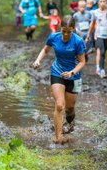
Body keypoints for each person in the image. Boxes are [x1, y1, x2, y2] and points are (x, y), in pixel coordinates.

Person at [32, 16, 86, 144]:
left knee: (70, 108)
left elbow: (82, 62)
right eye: (63, 31)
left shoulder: (78, 41)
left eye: (69, 31)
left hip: (74, 76)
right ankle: (58, 136)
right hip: (57, 72)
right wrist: (38, 60)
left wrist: (72, 72)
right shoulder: (54, 37)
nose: (66, 34)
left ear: (73, 29)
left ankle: (70, 122)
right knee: (60, 105)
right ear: (60, 28)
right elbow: (45, 50)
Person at [86, 0, 107, 78]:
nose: (102, 3)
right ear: (98, 3)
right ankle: (102, 70)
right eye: (101, 1)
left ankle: (100, 67)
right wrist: (88, 35)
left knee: (104, 52)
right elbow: (92, 24)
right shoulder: (95, 12)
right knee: (101, 51)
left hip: (106, 35)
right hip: (98, 35)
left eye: (104, 1)